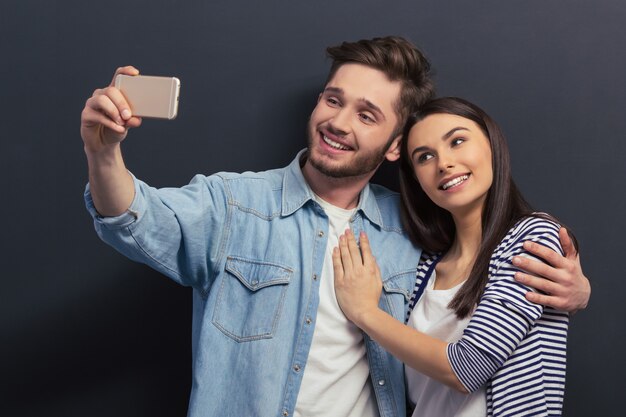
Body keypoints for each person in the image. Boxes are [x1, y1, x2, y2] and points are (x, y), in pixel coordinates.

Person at [81, 37, 589, 417]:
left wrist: (574, 291)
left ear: (394, 147)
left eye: (367, 114)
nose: (339, 122)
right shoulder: (234, 202)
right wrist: (103, 152)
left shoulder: (414, 230)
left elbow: (486, 270)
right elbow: (136, 217)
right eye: (333, 99)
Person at [333, 97, 579, 416]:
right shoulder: (424, 267)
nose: (444, 163)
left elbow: (467, 368)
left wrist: (365, 312)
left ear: (492, 144)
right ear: (418, 181)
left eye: (458, 141)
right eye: (425, 157)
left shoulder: (534, 237)